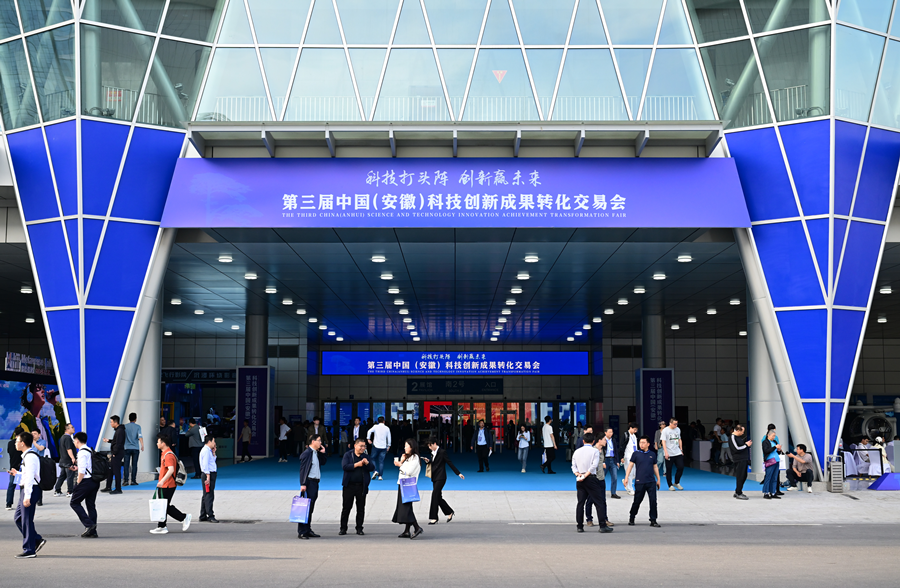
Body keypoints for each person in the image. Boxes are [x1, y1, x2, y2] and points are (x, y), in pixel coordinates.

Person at [10, 431, 46, 558]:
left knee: (26, 520)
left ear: (23, 443)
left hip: (30, 489)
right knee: (19, 518)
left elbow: (30, 478)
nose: (15, 443)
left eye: (17, 441)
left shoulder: (30, 456)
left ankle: (29, 550)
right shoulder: (27, 456)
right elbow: (28, 475)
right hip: (27, 489)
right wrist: (18, 474)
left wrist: (27, 496)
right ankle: (36, 539)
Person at [571, 433, 613, 534]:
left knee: (580, 503)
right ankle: (602, 526)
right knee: (599, 502)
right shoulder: (595, 451)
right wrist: (586, 475)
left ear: (583, 441)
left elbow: (573, 466)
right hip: (591, 478)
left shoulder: (577, 451)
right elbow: (594, 465)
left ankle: (580, 526)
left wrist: (578, 474)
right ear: (593, 441)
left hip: (580, 479)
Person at [151, 432, 191, 534]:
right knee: (163, 505)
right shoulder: (165, 453)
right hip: (165, 484)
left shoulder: (168, 455)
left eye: (158, 442)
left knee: (164, 506)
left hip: (168, 485)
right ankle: (162, 526)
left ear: (163, 443)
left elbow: (171, 470)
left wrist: (162, 481)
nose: (157, 443)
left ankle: (183, 517)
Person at [18, 383, 66, 460]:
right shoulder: (24, 426)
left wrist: (55, 403)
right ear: (30, 396)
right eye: (38, 389)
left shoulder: (48, 426)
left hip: (50, 464)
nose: (43, 391)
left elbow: (66, 422)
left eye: (42, 389)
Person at [423, 437, 464, 525]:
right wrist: (428, 461)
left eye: (430, 445)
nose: (429, 447)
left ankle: (434, 517)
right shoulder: (433, 453)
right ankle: (449, 512)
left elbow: (449, 462)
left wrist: (458, 473)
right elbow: (434, 464)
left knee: (434, 495)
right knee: (438, 497)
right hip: (435, 477)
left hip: (441, 477)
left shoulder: (442, 452)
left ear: (435, 444)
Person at [623, 436, 661, 527]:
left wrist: (658, 479)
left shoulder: (652, 454)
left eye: (643, 442)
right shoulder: (636, 454)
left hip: (651, 481)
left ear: (648, 444)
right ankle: (632, 517)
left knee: (653, 501)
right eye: (640, 442)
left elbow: (655, 467)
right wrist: (626, 477)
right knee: (637, 501)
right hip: (640, 481)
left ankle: (653, 520)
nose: (641, 444)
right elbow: (630, 465)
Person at [340, 438, 374, 536]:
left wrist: (367, 463)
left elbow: (372, 468)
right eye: (361, 446)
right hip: (349, 486)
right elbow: (345, 467)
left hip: (361, 486)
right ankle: (343, 528)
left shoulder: (366, 456)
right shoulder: (348, 455)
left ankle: (359, 528)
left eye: (364, 446)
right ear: (355, 446)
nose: (363, 448)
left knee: (361, 508)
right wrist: (356, 465)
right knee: (346, 508)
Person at [70, 431, 100, 538]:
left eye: (74, 441)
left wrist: (77, 483)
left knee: (74, 502)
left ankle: (89, 524)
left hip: (85, 481)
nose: (74, 443)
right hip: (94, 480)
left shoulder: (82, 453)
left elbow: (82, 472)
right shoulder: (89, 450)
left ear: (77, 440)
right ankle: (93, 531)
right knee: (91, 505)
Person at [297, 433, 328, 539]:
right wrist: (303, 483)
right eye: (319, 440)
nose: (321, 442)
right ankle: (302, 531)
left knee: (310, 507)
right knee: (305, 507)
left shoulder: (316, 453)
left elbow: (323, 462)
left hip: (315, 483)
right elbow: (303, 470)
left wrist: (323, 453)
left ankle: (308, 529)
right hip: (309, 483)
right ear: (313, 441)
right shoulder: (307, 453)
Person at [392, 439, 423, 539]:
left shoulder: (414, 457)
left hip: (407, 484)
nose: (405, 448)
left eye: (406, 446)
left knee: (406, 508)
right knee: (407, 507)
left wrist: (400, 465)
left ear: (411, 447)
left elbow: (408, 471)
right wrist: (401, 461)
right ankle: (407, 530)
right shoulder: (409, 457)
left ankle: (417, 527)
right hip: (404, 484)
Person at [196, 434, 219, 523]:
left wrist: (213, 453)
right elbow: (205, 465)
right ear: (209, 441)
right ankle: (210, 515)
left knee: (206, 494)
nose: (214, 443)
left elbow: (211, 462)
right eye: (213, 441)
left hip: (209, 473)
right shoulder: (205, 451)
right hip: (208, 474)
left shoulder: (208, 450)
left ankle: (203, 514)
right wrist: (208, 476)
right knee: (209, 495)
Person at [101, 415, 125, 494]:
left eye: (111, 422)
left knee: (116, 471)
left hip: (117, 453)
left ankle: (118, 489)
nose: (110, 424)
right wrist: (108, 441)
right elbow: (116, 441)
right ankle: (108, 486)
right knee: (110, 470)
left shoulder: (120, 431)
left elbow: (119, 443)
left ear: (116, 422)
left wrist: (114, 453)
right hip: (116, 453)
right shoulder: (118, 430)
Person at [729, 424, 752, 500]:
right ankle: (738, 492)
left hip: (743, 459)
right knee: (740, 476)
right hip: (739, 459)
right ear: (738, 430)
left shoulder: (738, 437)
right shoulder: (732, 437)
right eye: (742, 431)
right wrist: (746, 445)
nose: (743, 433)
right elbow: (736, 449)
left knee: (744, 476)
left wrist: (745, 444)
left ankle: (738, 491)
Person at [54, 423, 76, 497]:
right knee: (70, 476)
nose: (73, 428)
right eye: (72, 427)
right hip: (68, 461)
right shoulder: (67, 438)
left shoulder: (63, 437)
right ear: (67, 429)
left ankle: (57, 490)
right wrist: (73, 458)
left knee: (62, 476)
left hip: (63, 460)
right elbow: (69, 449)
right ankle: (70, 491)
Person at [662, 418, 685, 490]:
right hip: (669, 452)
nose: (676, 425)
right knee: (669, 469)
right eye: (674, 424)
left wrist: (681, 449)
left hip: (677, 452)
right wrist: (666, 452)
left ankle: (677, 482)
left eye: (677, 424)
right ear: (670, 423)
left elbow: (679, 439)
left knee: (681, 467)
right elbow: (663, 442)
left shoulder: (678, 429)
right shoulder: (665, 430)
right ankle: (670, 485)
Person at [367, 416, 392, 480]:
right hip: (383, 447)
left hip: (376, 446)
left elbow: (369, 431)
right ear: (384, 421)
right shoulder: (387, 428)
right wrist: (389, 445)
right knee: (381, 462)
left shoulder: (375, 426)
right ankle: (380, 476)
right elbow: (389, 437)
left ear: (378, 421)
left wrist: (368, 439)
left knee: (372, 459)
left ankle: (375, 471)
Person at [123, 412, 143, 486]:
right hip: (135, 448)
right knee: (134, 465)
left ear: (129, 418)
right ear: (135, 419)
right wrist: (142, 445)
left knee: (126, 464)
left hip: (126, 447)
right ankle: (133, 480)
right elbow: (140, 436)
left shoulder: (125, 426)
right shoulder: (138, 427)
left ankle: (126, 480)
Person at [6, 426, 24, 510]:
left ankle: (8, 504)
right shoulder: (23, 444)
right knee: (22, 486)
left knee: (11, 485)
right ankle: (22, 503)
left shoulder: (10, 443)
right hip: (21, 467)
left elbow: (9, 452)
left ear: (15, 434)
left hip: (12, 467)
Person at [761, 429, 782, 499]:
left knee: (775, 477)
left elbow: (777, 452)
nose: (774, 437)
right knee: (768, 477)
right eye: (773, 436)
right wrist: (775, 447)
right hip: (770, 461)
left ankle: (773, 492)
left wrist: (779, 450)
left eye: (774, 436)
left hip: (776, 460)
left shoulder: (775, 442)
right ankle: (766, 492)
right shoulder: (765, 442)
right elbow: (766, 450)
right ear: (768, 435)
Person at [603, 428, 622, 500]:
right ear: (605, 432)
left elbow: (616, 451)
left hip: (613, 459)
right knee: (602, 477)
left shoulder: (613, 440)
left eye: (612, 432)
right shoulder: (603, 440)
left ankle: (613, 493)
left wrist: (617, 461)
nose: (611, 433)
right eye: (609, 432)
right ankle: (600, 492)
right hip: (605, 460)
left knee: (615, 477)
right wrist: (602, 462)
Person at [621, 422, 638, 494]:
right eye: (634, 429)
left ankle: (626, 480)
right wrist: (622, 457)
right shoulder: (625, 435)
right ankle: (630, 489)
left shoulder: (635, 436)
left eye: (636, 430)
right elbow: (622, 446)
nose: (635, 431)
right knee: (630, 473)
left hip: (635, 456)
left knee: (635, 473)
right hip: (628, 457)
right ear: (630, 428)